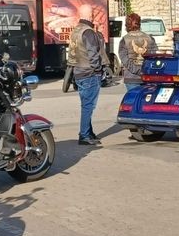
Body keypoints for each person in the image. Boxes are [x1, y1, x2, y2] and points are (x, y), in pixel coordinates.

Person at [67, 7, 108, 145]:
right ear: (90, 15)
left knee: (86, 104)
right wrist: (98, 70)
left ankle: (88, 132)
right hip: (89, 73)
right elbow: (93, 54)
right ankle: (84, 135)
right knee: (88, 106)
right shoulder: (88, 32)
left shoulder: (76, 30)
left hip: (78, 72)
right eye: (93, 13)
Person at [118, 13, 156, 92]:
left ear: (127, 25)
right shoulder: (149, 38)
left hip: (131, 77)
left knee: (133, 102)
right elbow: (154, 56)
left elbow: (125, 59)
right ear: (139, 24)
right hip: (147, 75)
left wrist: (137, 70)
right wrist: (144, 69)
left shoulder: (124, 39)